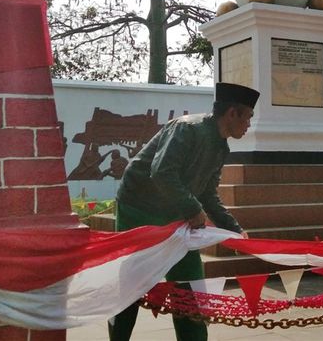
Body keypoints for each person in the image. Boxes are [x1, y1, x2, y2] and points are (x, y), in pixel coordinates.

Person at [110, 82, 259, 341]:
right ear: (232, 113)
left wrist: (235, 231)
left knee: (191, 288)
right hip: (139, 208)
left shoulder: (221, 147)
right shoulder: (187, 128)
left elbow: (208, 194)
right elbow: (162, 172)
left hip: (177, 213)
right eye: (247, 117)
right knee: (133, 285)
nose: (248, 125)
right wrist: (192, 207)